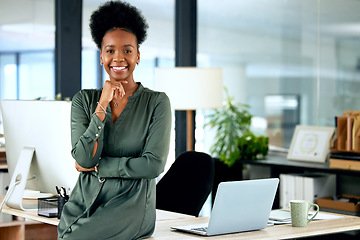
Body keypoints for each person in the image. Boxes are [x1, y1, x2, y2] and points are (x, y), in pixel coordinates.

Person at [57, 1, 172, 239]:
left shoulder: (157, 103)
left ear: (138, 56)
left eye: (127, 50)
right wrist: (102, 105)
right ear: (101, 56)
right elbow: (83, 158)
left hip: (130, 205)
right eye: (110, 50)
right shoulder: (84, 100)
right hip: (84, 201)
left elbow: (153, 165)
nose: (118, 58)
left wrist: (100, 166)